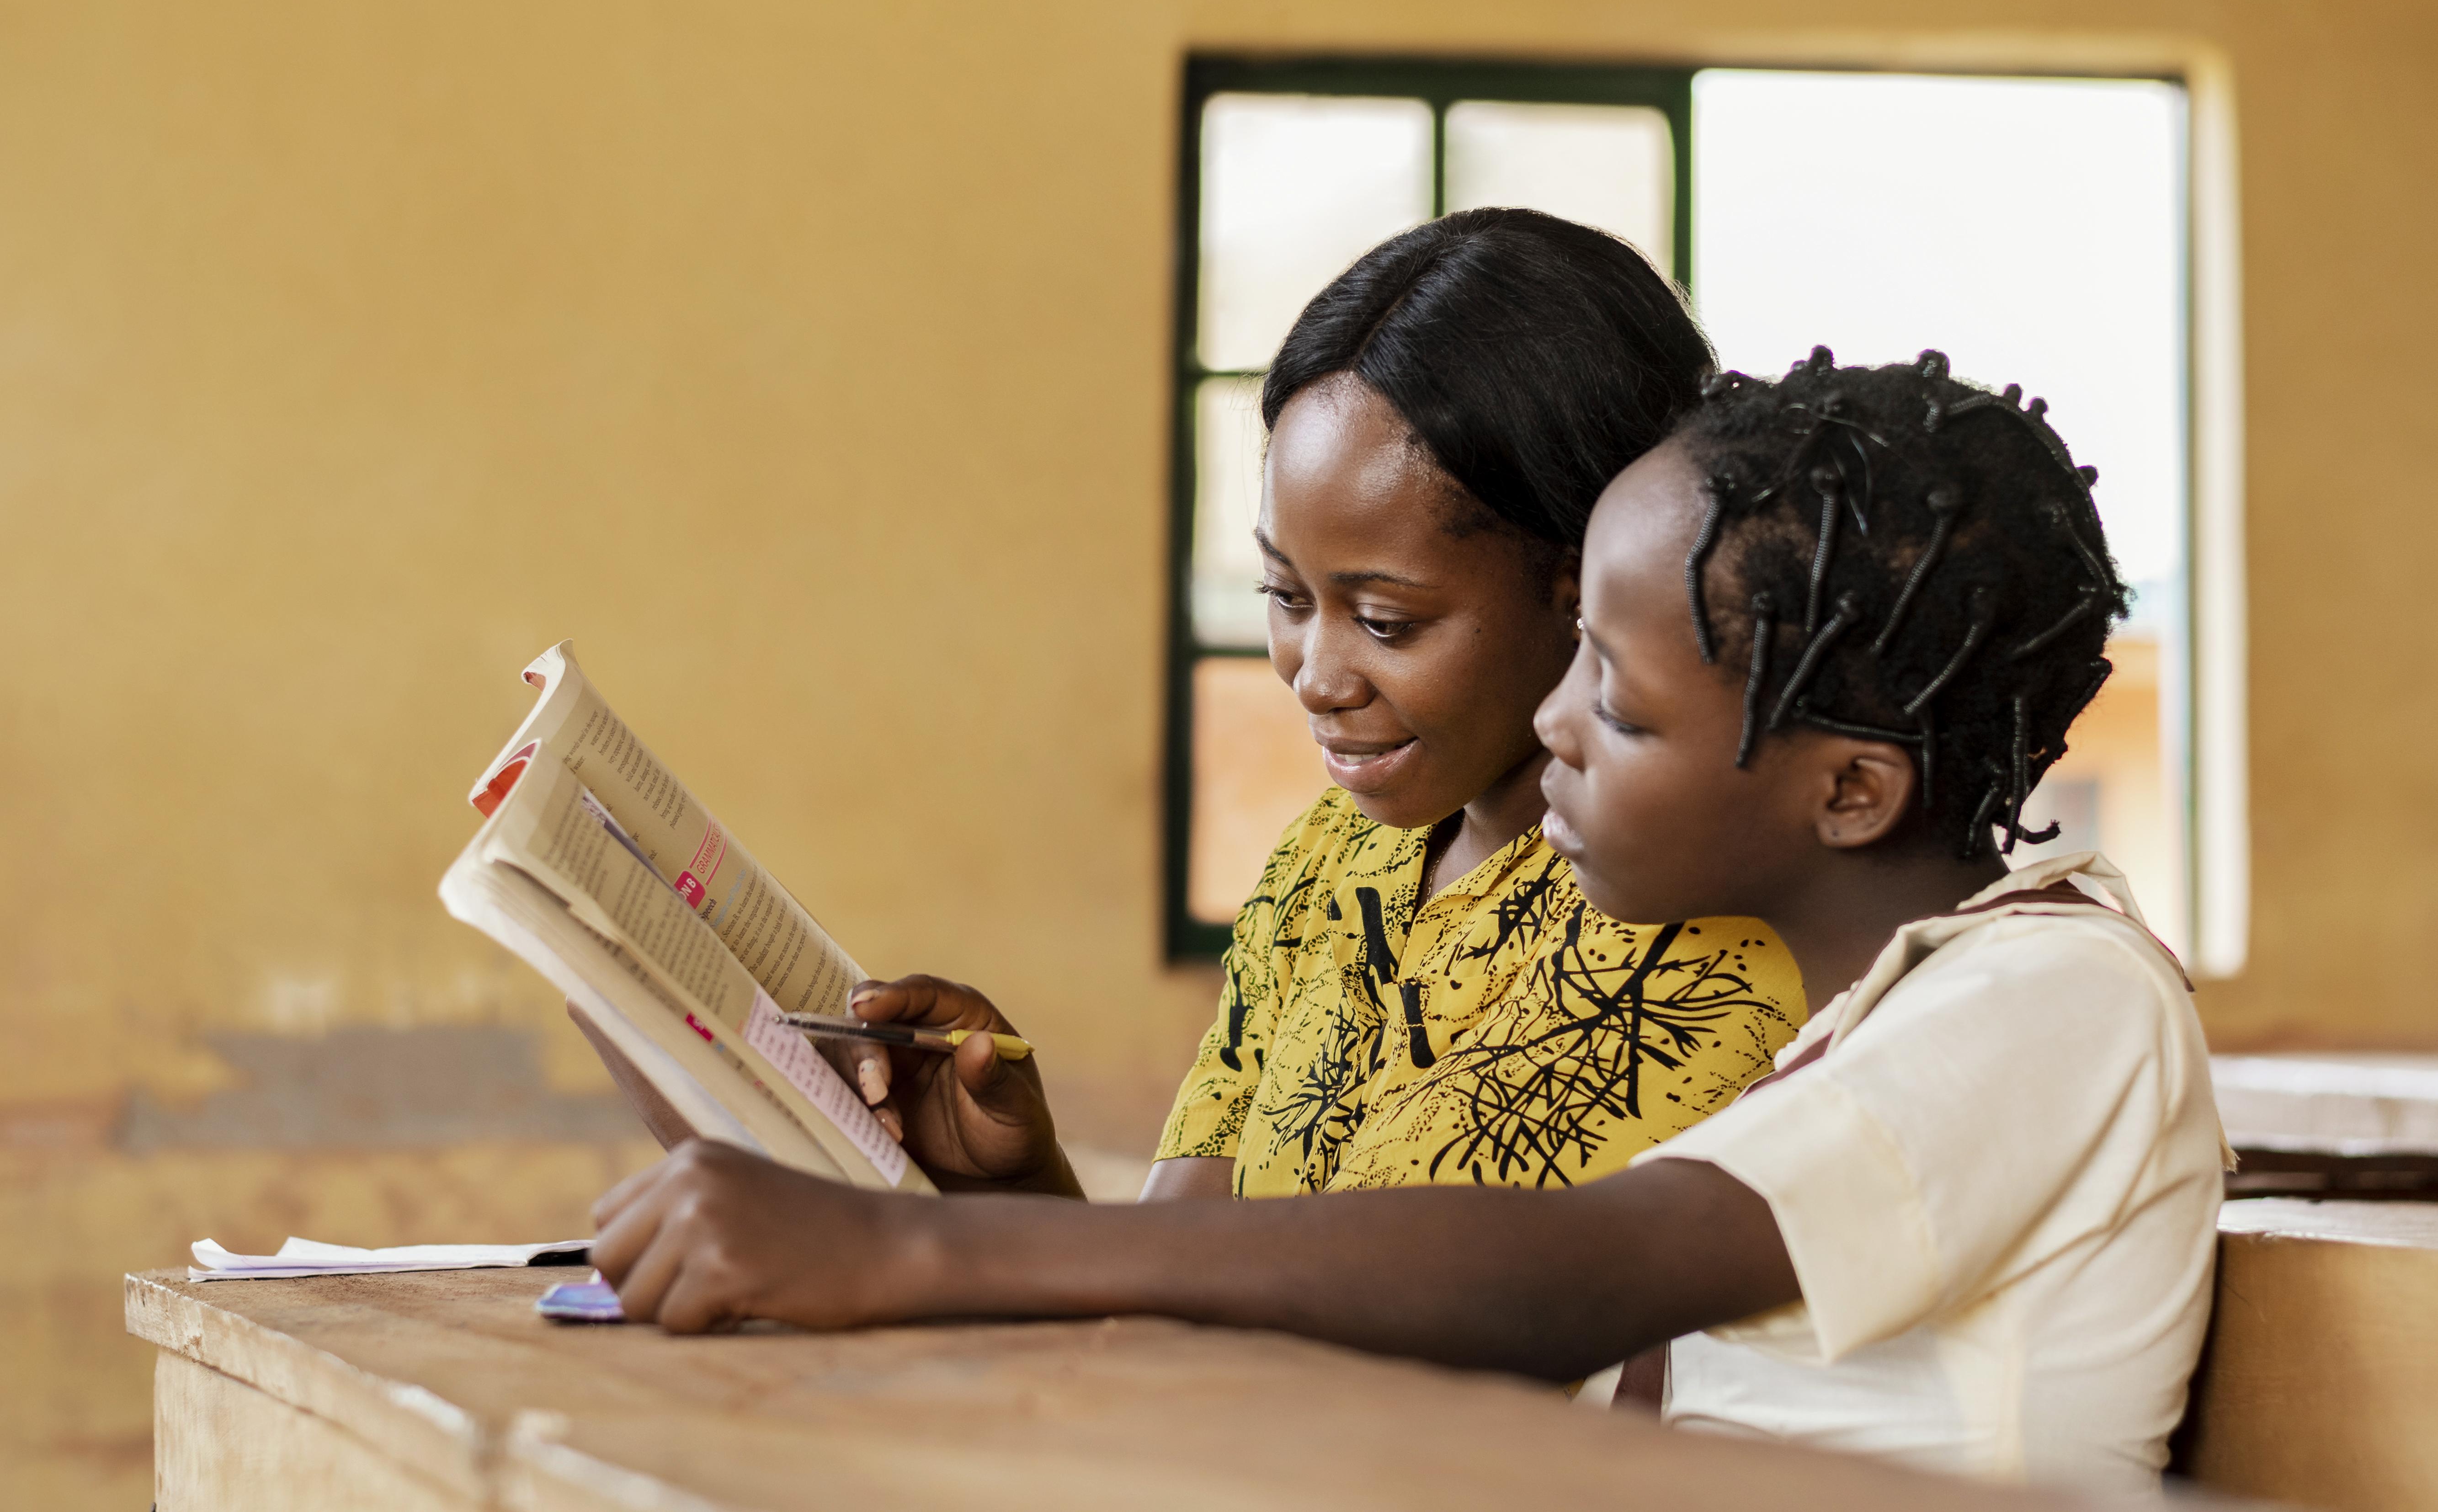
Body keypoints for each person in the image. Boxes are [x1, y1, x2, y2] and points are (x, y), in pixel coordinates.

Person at [589, 350, 2229, 1494]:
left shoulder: (2060, 999)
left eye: (1620, 700)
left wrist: (905, 1250)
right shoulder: (1872, 1021)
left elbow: (1584, 1268)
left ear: (1850, 792)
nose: (1558, 724)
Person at [578, 208, 1807, 1204]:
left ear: (1590, 578)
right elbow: (1176, 1285)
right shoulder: (1331, 867)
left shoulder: (1702, 918)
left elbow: (1400, 1347)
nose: (1315, 674)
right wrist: (1017, 1183)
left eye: (1387, 621)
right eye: (1286, 595)